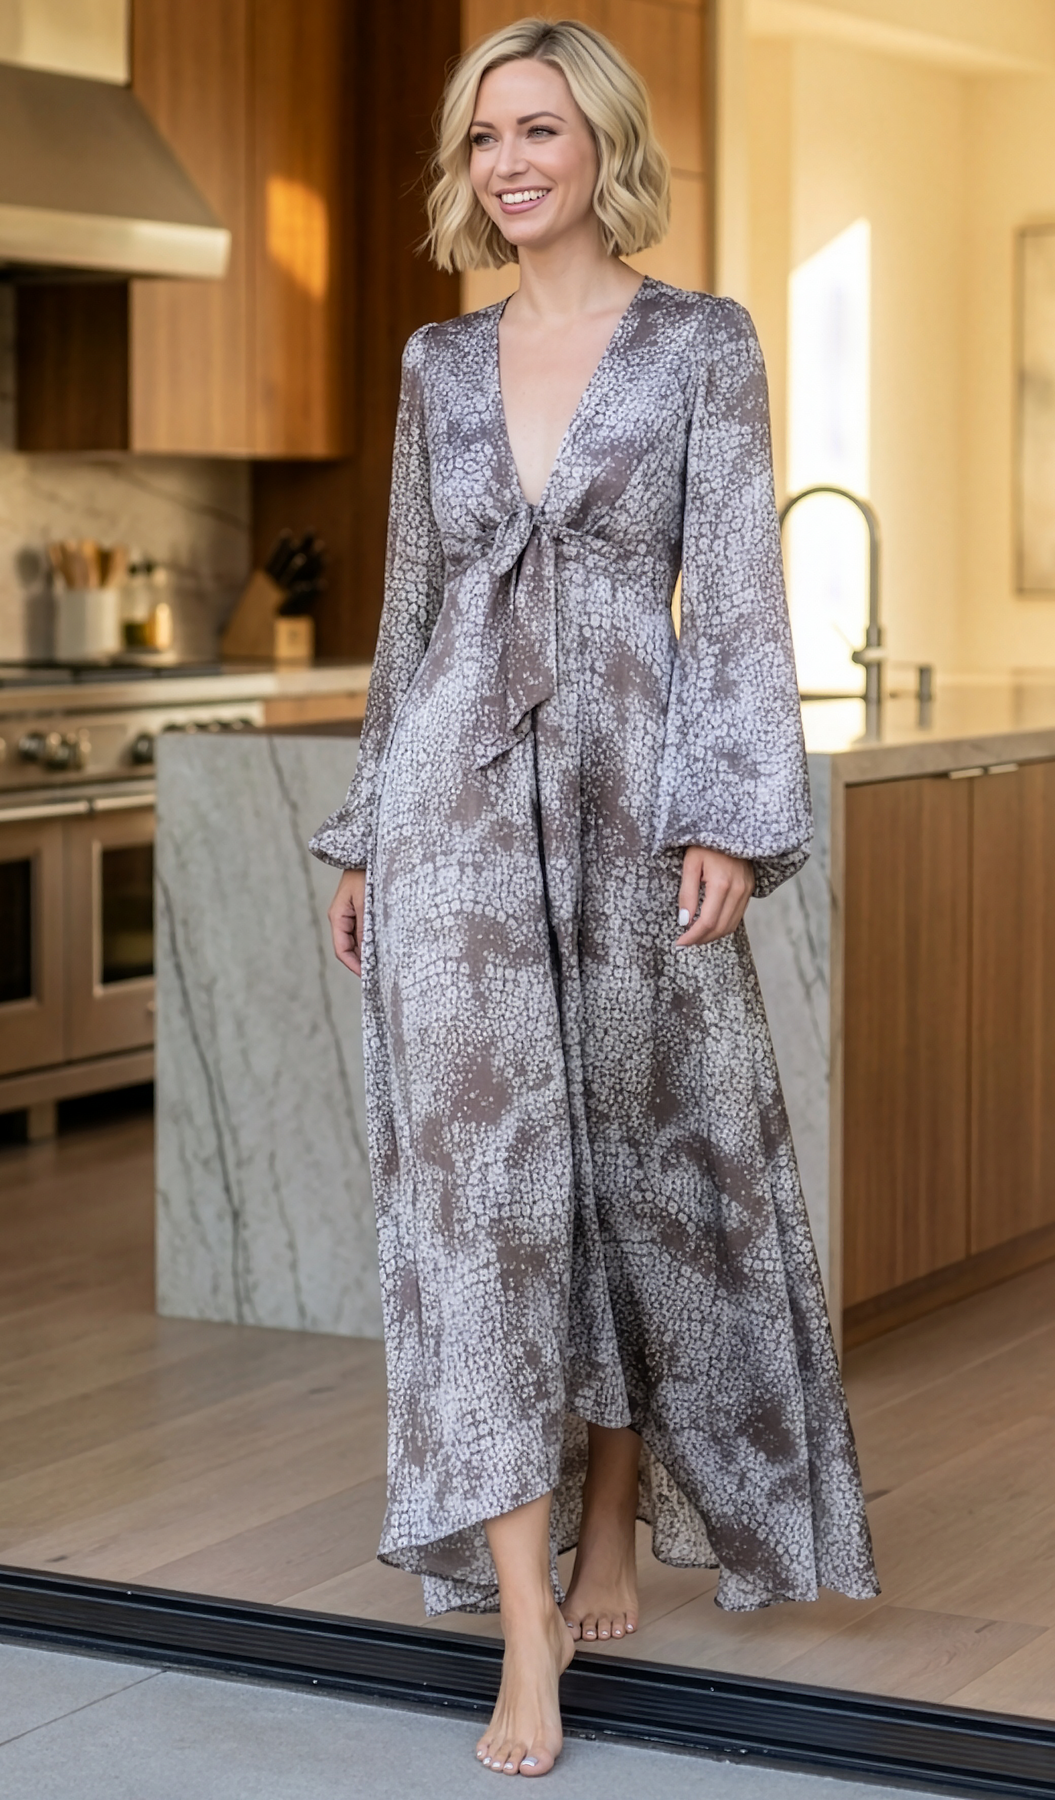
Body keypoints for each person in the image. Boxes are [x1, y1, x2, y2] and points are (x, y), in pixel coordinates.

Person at [311, 16, 878, 1779]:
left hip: (635, 805)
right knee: (476, 1204)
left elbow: (743, 605)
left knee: (629, 1172)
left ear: (603, 145)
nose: (509, 163)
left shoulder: (702, 343)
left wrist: (729, 820)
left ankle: (612, 1521)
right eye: (485, 137)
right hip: (454, 823)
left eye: (539, 129)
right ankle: (524, 1621)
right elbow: (410, 615)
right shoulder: (432, 363)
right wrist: (364, 830)